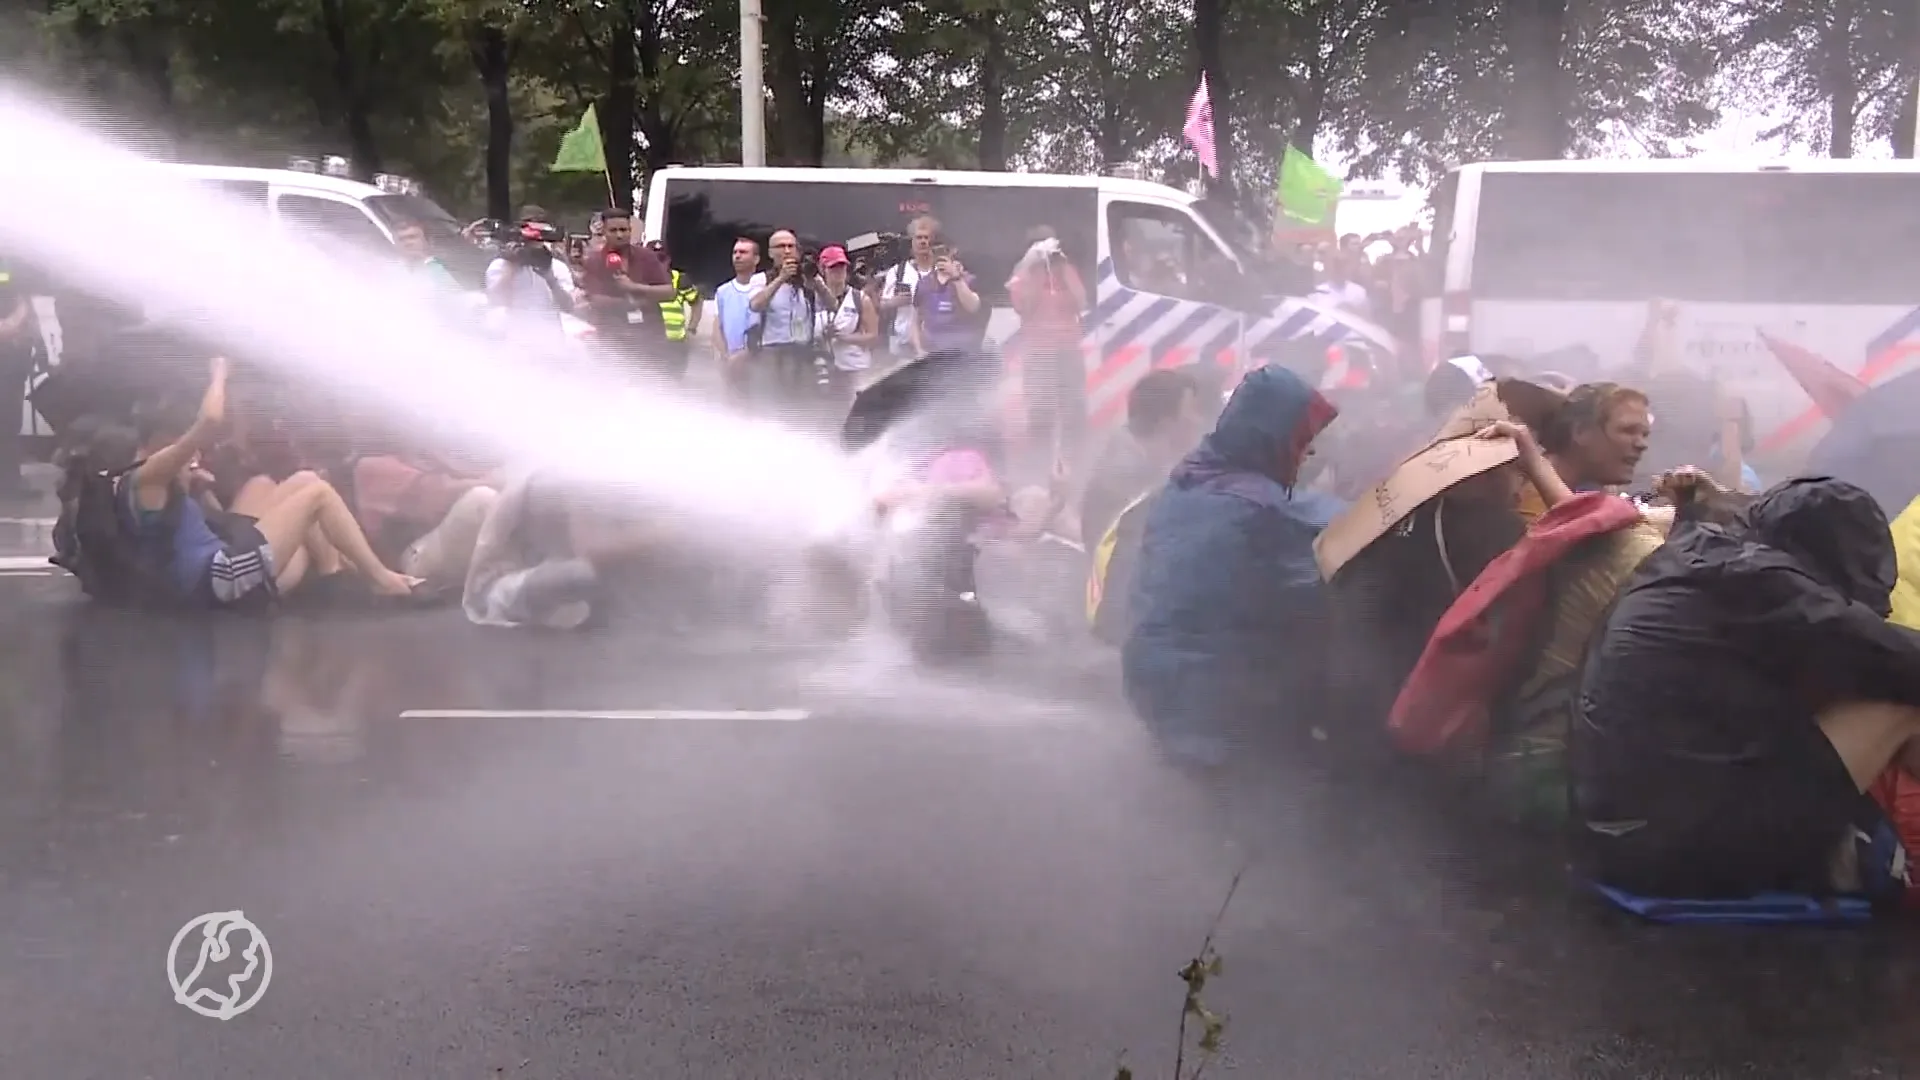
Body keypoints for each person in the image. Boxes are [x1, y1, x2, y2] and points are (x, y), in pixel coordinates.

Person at [1571, 477, 1920, 901]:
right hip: (1675, 852)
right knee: (1897, 702)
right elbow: (1886, 654)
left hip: (1619, 830)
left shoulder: (1706, 558)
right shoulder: (1759, 580)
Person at [1121, 364, 1345, 767]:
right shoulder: (1255, 507)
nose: (1307, 452)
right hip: (1210, 706)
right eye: (1301, 439)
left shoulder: (1192, 479)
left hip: (1154, 680)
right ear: (1272, 434)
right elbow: (1349, 526)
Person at [124, 357, 422, 608]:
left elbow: (184, 531)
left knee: (305, 481)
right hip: (219, 580)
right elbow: (210, 421)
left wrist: (197, 490)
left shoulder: (143, 481)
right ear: (161, 441)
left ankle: (340, 574)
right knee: (318, 494)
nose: (192, 451)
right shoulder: (149, 476)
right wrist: (220, 373)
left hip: (215, 568)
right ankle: (381, 580)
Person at [1078, 368, 1208, 553]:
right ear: (1167, 424)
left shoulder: (1150, 468)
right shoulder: (1125, 480)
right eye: (1193, 411)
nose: (1200, 421)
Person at [1008, 228, 1090, 468]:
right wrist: (1033, 268)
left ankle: (1072, 458)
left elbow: (1081, 300)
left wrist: (1062, 269)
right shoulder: (1022, 274)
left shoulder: (1065, 270)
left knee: (1073, 406)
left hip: (1067, 347)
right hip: (1038, 350)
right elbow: (1025, 307)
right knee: (1040, 410)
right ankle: (1040, 461)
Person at [1518, 381, 1651, 522]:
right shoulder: (1530, 505)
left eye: (1644, 434)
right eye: (1628, 430)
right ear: (1581, 431)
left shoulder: (1595, 493)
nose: (1642, 444)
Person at [578, 208, 676, 372]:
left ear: (630, 230)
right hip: (611, 339)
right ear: (604, 231)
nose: (619, 235)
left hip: (649, 340)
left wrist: (634, 287)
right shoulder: (594, 260)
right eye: (613, 230)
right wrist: (633, 303)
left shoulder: (647, 256)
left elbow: (669, 292)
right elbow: (595, 299)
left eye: (623, 230)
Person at [747, 228, 834, 413]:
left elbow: (833, 305)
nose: (787, 250)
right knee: (771, 406)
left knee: (802, 408)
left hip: (803, 352)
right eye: (781, 246)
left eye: (791, 246)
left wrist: (817, 281)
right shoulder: (761, 279)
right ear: (770, 253)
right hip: (773, 351)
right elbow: (755, 305)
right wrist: (781, 278)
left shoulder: (807, 279)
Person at [814, 245, 879, 401]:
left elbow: (873, 336)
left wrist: (844, 337)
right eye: (833, 268)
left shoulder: (860, 298)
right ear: (823, 270)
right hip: (822, 369)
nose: (839, 272)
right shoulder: (812, 297)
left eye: (842, 267)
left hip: (855, 368)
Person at [873, 215, 941, 359]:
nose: (923, 242)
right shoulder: (898, 272)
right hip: (901, 345)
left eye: (926, 238)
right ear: (911, 241)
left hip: (936, 343)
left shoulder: (942, 271)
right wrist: (894, 302)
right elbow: (880, 306)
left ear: (932, 241)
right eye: (918, 238)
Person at [710, 236, 766, 405]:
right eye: (735, 252)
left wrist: (747, 354)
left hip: (757, 362)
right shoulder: (723, 291)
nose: (737, 256)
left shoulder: (764, 289)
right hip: (730, 364)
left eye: (743, 252)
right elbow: (717, 327)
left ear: (756, 259)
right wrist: (726, 356)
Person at [0, 252, 35, 497]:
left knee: (9, 419)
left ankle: (9, 480)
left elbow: (17, 289)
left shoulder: (11, 255)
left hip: (11, 357)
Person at [909, 243, 984, 356]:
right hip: (933, 351)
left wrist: (956, 278)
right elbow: (915, 320)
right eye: (936, 253)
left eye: (944, 253)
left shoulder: (968, 280)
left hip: (964, 352)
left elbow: (973, 307)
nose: (940, 257)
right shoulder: (924, 283)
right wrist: (919, 350)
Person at [647, 239, 702, 381]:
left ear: (668, 260)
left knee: (673, 385)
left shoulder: (680, 279)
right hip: (648, 343)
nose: (658, 263)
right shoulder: (639, 279)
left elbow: (696, 302)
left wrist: (692, 328)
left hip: (675, 344)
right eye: (653, 259)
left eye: (661, 258)